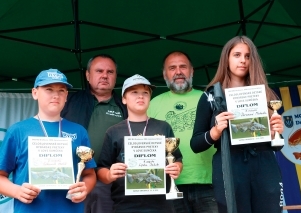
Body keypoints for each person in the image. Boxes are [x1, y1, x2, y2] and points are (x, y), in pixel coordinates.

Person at [190, 36, 284, 213]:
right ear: (226, 58)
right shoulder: (211, 96)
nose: (243, 60)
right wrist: (215, 132)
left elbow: (278, 146)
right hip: (229, 164)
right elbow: (195, 144)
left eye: (248, 56)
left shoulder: (267, 94)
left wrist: (276, 133)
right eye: (237, 55)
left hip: (264, 164)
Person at [0, 69, 97, 213]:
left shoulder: (79, 131)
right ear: (35, 93)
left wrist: (85, 188)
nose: (56, 95)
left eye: (61, 90)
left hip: (70, 209)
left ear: (66, 96)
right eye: (49, 89)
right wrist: (16, 191)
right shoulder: (18, 131)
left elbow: (89, 174)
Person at [97, 74, 183, 213]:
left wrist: (177, 168)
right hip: (124, 204)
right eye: (134, 92)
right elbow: (102, 168)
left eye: (145, 93)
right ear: (124, 99)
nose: (140, 96)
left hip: (160, 204)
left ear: (150, 98)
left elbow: (177, 159)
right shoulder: (114, 131)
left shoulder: (163, 127)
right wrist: (109, 175)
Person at [147, 51, 218, 213]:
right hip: (168, 183)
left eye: (183, 67)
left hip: (208, 182)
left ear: (192, 71)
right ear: (165, 74)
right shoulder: (153, 104)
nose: (178, 72)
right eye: (172, 68)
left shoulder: (208, 99)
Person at [61, 54, 128, 213]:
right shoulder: (69, 101)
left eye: (110, 72)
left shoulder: (124, 106)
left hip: (109, 183)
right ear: (88, 75)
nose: (105, 75)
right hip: (72, 181)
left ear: (115, 76)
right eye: (99, 71)